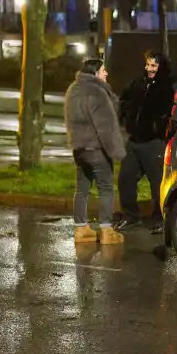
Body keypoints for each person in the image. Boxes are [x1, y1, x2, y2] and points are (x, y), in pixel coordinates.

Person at [64, 58, 127, 245]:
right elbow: (106, 127)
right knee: (106, 188)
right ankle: (107, 230)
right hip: (97, 149)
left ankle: (81, 228)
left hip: (79, 148)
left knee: (82, 188)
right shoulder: (97, 93)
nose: (106, 73)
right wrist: (117, 151)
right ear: (95, 73)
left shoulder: (73, 90)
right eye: (103, 70)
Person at [116, 50, 175, 234]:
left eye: (153, 65)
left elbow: (168, 114)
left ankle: (161, 219)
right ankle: (131, 216)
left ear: (161, 67)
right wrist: (125, 117)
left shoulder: (167, 87)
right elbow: (123, 100)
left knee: (157, 182)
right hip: (134, 140)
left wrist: (157, 127)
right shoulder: (138, 83)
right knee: (125, 177)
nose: (149, 69)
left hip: (154, 142)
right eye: (148, 64)